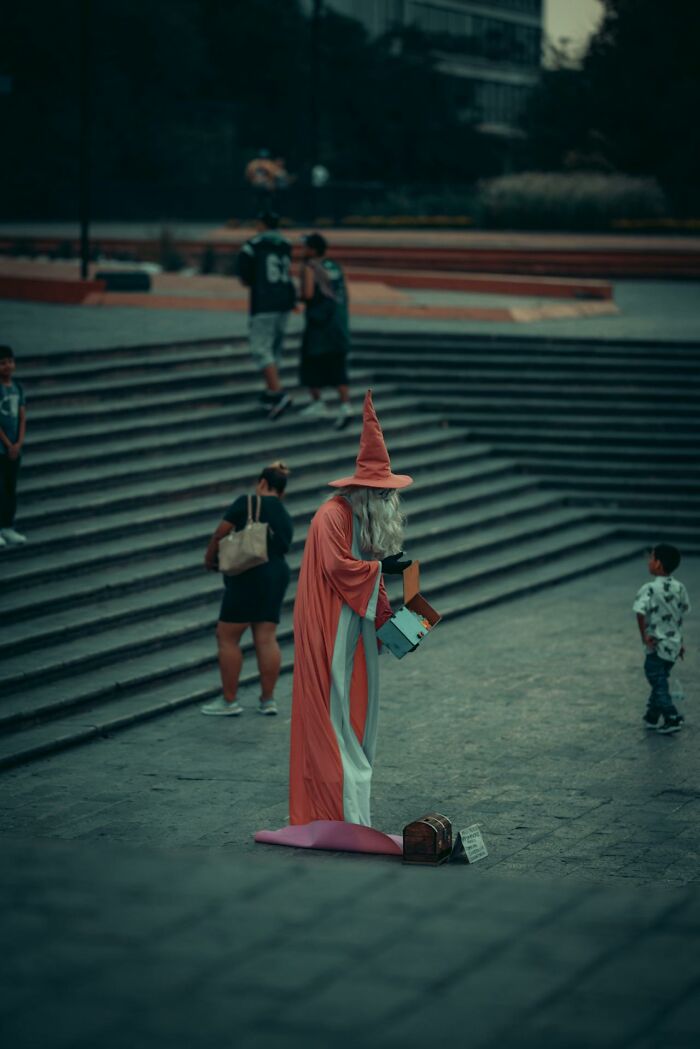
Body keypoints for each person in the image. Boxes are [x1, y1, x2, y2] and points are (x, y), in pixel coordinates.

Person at [289, 390, 413, 826]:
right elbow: (342, 569)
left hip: (348, 627)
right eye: (380, 494)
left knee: (353, 717)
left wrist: (395, 629)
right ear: (362, 490)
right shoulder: (331, 516)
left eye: (387, 494)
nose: (386, 502)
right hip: (328, 629)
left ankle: (350, 812)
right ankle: (334, 814)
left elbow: (369, 574)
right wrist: (381, 570)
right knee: (332, 714)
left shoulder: (360, 519)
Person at [202, 462, 294, 716]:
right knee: (266, 636)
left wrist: (210, 559)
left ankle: (229, 700)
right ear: (282, 492)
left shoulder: (247, 502)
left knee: (227, 635)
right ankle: (268, 700)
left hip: (248, 575)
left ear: (262, 483)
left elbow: (220, 534)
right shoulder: (285, 514)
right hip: (276, 575)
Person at [237, 211, 296, 420]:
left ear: (260, 224)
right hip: (284, 301)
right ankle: (271, 392)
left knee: (260, 348)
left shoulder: (253, 245)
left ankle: (278, 393)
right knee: (274, 348)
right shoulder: (285, 244)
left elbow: (245, 278)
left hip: (264, 301)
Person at [633, 543, 690, 734]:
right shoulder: (680, 587)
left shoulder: (649, 588)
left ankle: (671, 716)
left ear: (658, 564)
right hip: (673, 646)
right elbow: (679, 616)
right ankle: (652, 715)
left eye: (651, 558)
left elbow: (639, 612)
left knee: (656, 680)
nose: (649, 562)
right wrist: (680, 642)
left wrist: (645, 636)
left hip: (657, 646)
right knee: (660, 680)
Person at [298, 232, 353, 431]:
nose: (303, 250)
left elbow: (308, 294)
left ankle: (318, 402)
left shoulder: (310, 267)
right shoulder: (336, 266)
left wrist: (297, 295)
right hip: (338, 323)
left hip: (318, 324)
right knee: (338, 365)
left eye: (305, 247)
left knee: (310, 361)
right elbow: (344, 293)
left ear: (312, 249)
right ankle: (346, 405)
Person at [0, 346, 27, 548]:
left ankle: (8, 526)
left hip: (15, 448)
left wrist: (19, 443)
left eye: (10, 361)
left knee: (10, 488)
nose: (7, 366)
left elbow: (22, 416)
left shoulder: (17, 387)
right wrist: (9, 444)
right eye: (2, 363)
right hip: (2, 448)